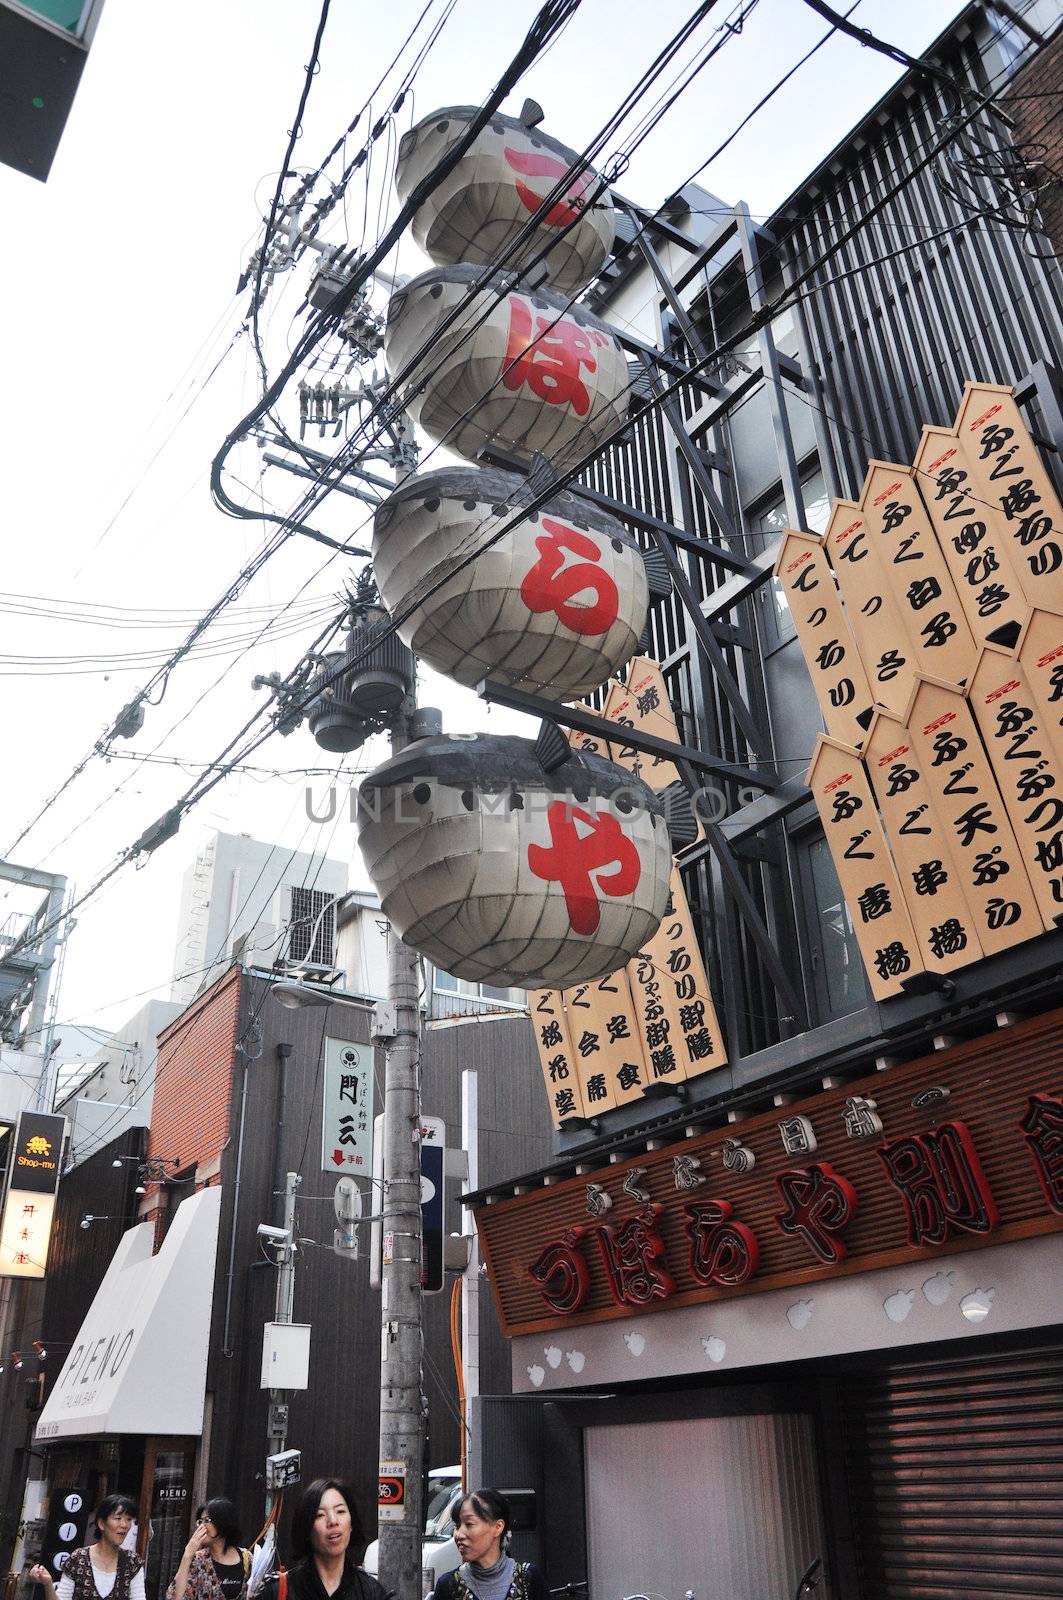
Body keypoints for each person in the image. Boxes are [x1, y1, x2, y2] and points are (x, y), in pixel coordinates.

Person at [260, 1479, 388, 1600]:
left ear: (351, 1523)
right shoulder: (278, 1592)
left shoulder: (370, 1592)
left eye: (340, 1511)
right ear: (307, 1527)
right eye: (320, 1515)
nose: (333, 1521)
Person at [433, 1490, 547, 1600]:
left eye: (469, 1524)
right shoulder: (448, 1585)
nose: (458, 1535)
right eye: (457, 1526)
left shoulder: (528, 1578)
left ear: (498, 1527)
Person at [29, 1494, 145, 1600]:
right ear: (101, 1523)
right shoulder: (79, 1558)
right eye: (118, 1518)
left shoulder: (133, 1562)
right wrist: (48, 1583)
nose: (124, 1525)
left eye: (129, 1519)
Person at [169, 1499, 249, 1600]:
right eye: (200, 1521)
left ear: (223, 1522)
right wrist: (187, 1555)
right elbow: (176, 1597)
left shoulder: (247, 1558)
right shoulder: (198, 1560)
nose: (202, 1526)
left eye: (207, 1521)